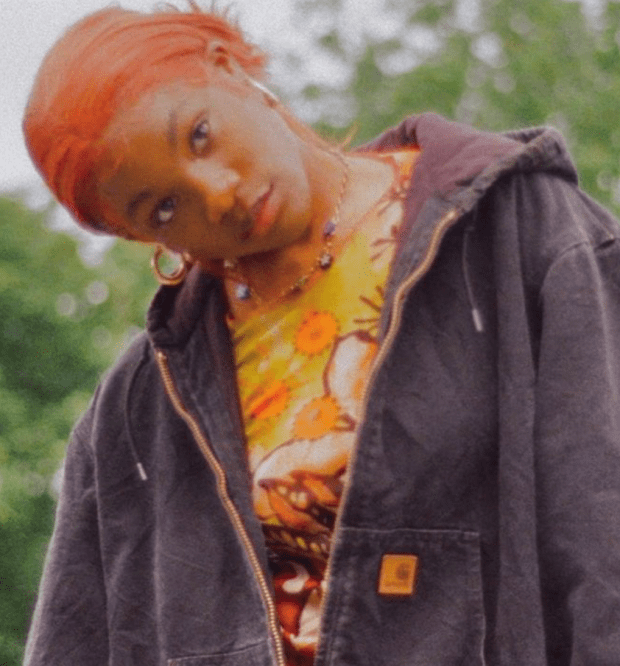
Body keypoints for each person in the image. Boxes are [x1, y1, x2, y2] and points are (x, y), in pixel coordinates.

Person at [21, 3, 620, 665]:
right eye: (164, 207)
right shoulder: (137, 414)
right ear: (141, 237)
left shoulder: (515, 234)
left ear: (227, 71)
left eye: (199, 135)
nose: (217, 194)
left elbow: (603, 528)